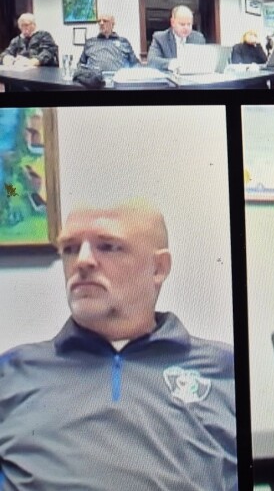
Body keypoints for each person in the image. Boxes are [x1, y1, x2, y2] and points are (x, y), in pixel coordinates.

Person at [0, 198, 236, 490]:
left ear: (158, 268)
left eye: (108, 246)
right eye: (70, 248)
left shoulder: (225, 370)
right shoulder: (12, 372)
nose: (82, 261)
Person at [147, 5, 207, 71]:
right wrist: (172, 64)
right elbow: (151, 61)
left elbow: (205, 61)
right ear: (172, 23)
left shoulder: (198, 38)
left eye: (189, 24)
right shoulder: (160, 38)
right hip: (170, 79)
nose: (186, 28)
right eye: (182, 24)